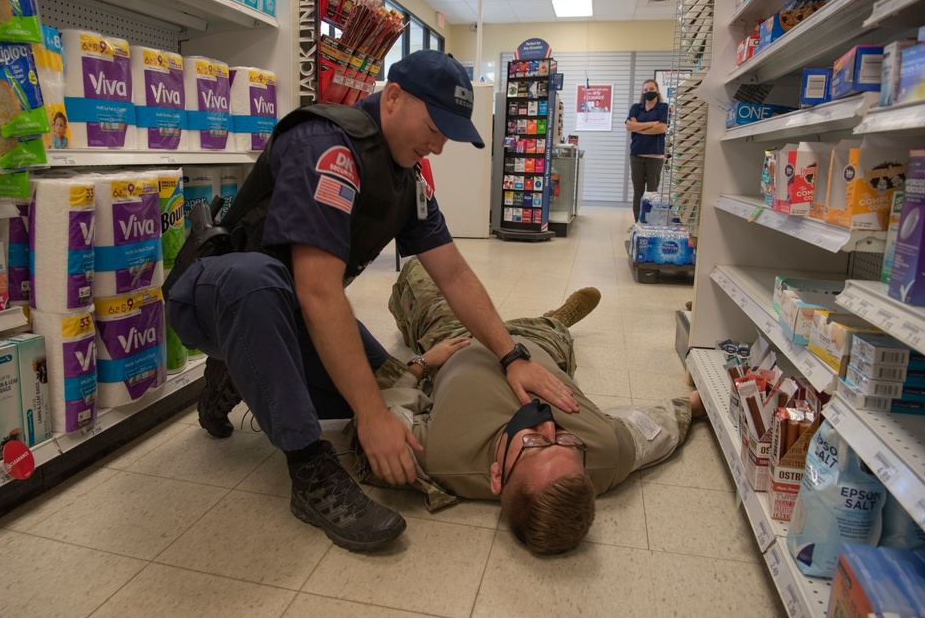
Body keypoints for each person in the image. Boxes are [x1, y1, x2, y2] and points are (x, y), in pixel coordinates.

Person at [166, 50, 585, 554]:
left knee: (379, 391)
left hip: (289, 310)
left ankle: (238, 372)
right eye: (434, 127)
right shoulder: (326, 144)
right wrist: (370, 417)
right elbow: (319, 289)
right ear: (392, 98)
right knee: (267, 292)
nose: (439, 146)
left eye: (447, 135)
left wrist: (511, 355)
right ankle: (308, 466)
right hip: (220, 296)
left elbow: (452, 272)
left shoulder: (405, 180)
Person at [350, 256, 703, 556]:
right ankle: (556, 319)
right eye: (565, 443)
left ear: (496, 477)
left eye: (534, 445)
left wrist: (422, 364)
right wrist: (702, 404)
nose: (549, 426)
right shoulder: (606, 455)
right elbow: (654, 427)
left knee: (418, 268)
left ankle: (417, 323)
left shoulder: (440, 457)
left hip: (458, 339)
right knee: (556, 333)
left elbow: (385, 412)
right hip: (541, 345)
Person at [624, 79, 668, 222]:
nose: (648, 92)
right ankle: (637, 222)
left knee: (652, 192)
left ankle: (649, 223)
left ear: (657, 90)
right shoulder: (636, 107)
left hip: (655, 156)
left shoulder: (663, 107)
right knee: (638, 192)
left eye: (651, 89)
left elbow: (662, 128)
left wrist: (640, 128)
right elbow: (629, 126)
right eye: (645, 90)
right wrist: (651, 124)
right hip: (637, 155)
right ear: (642, 92)